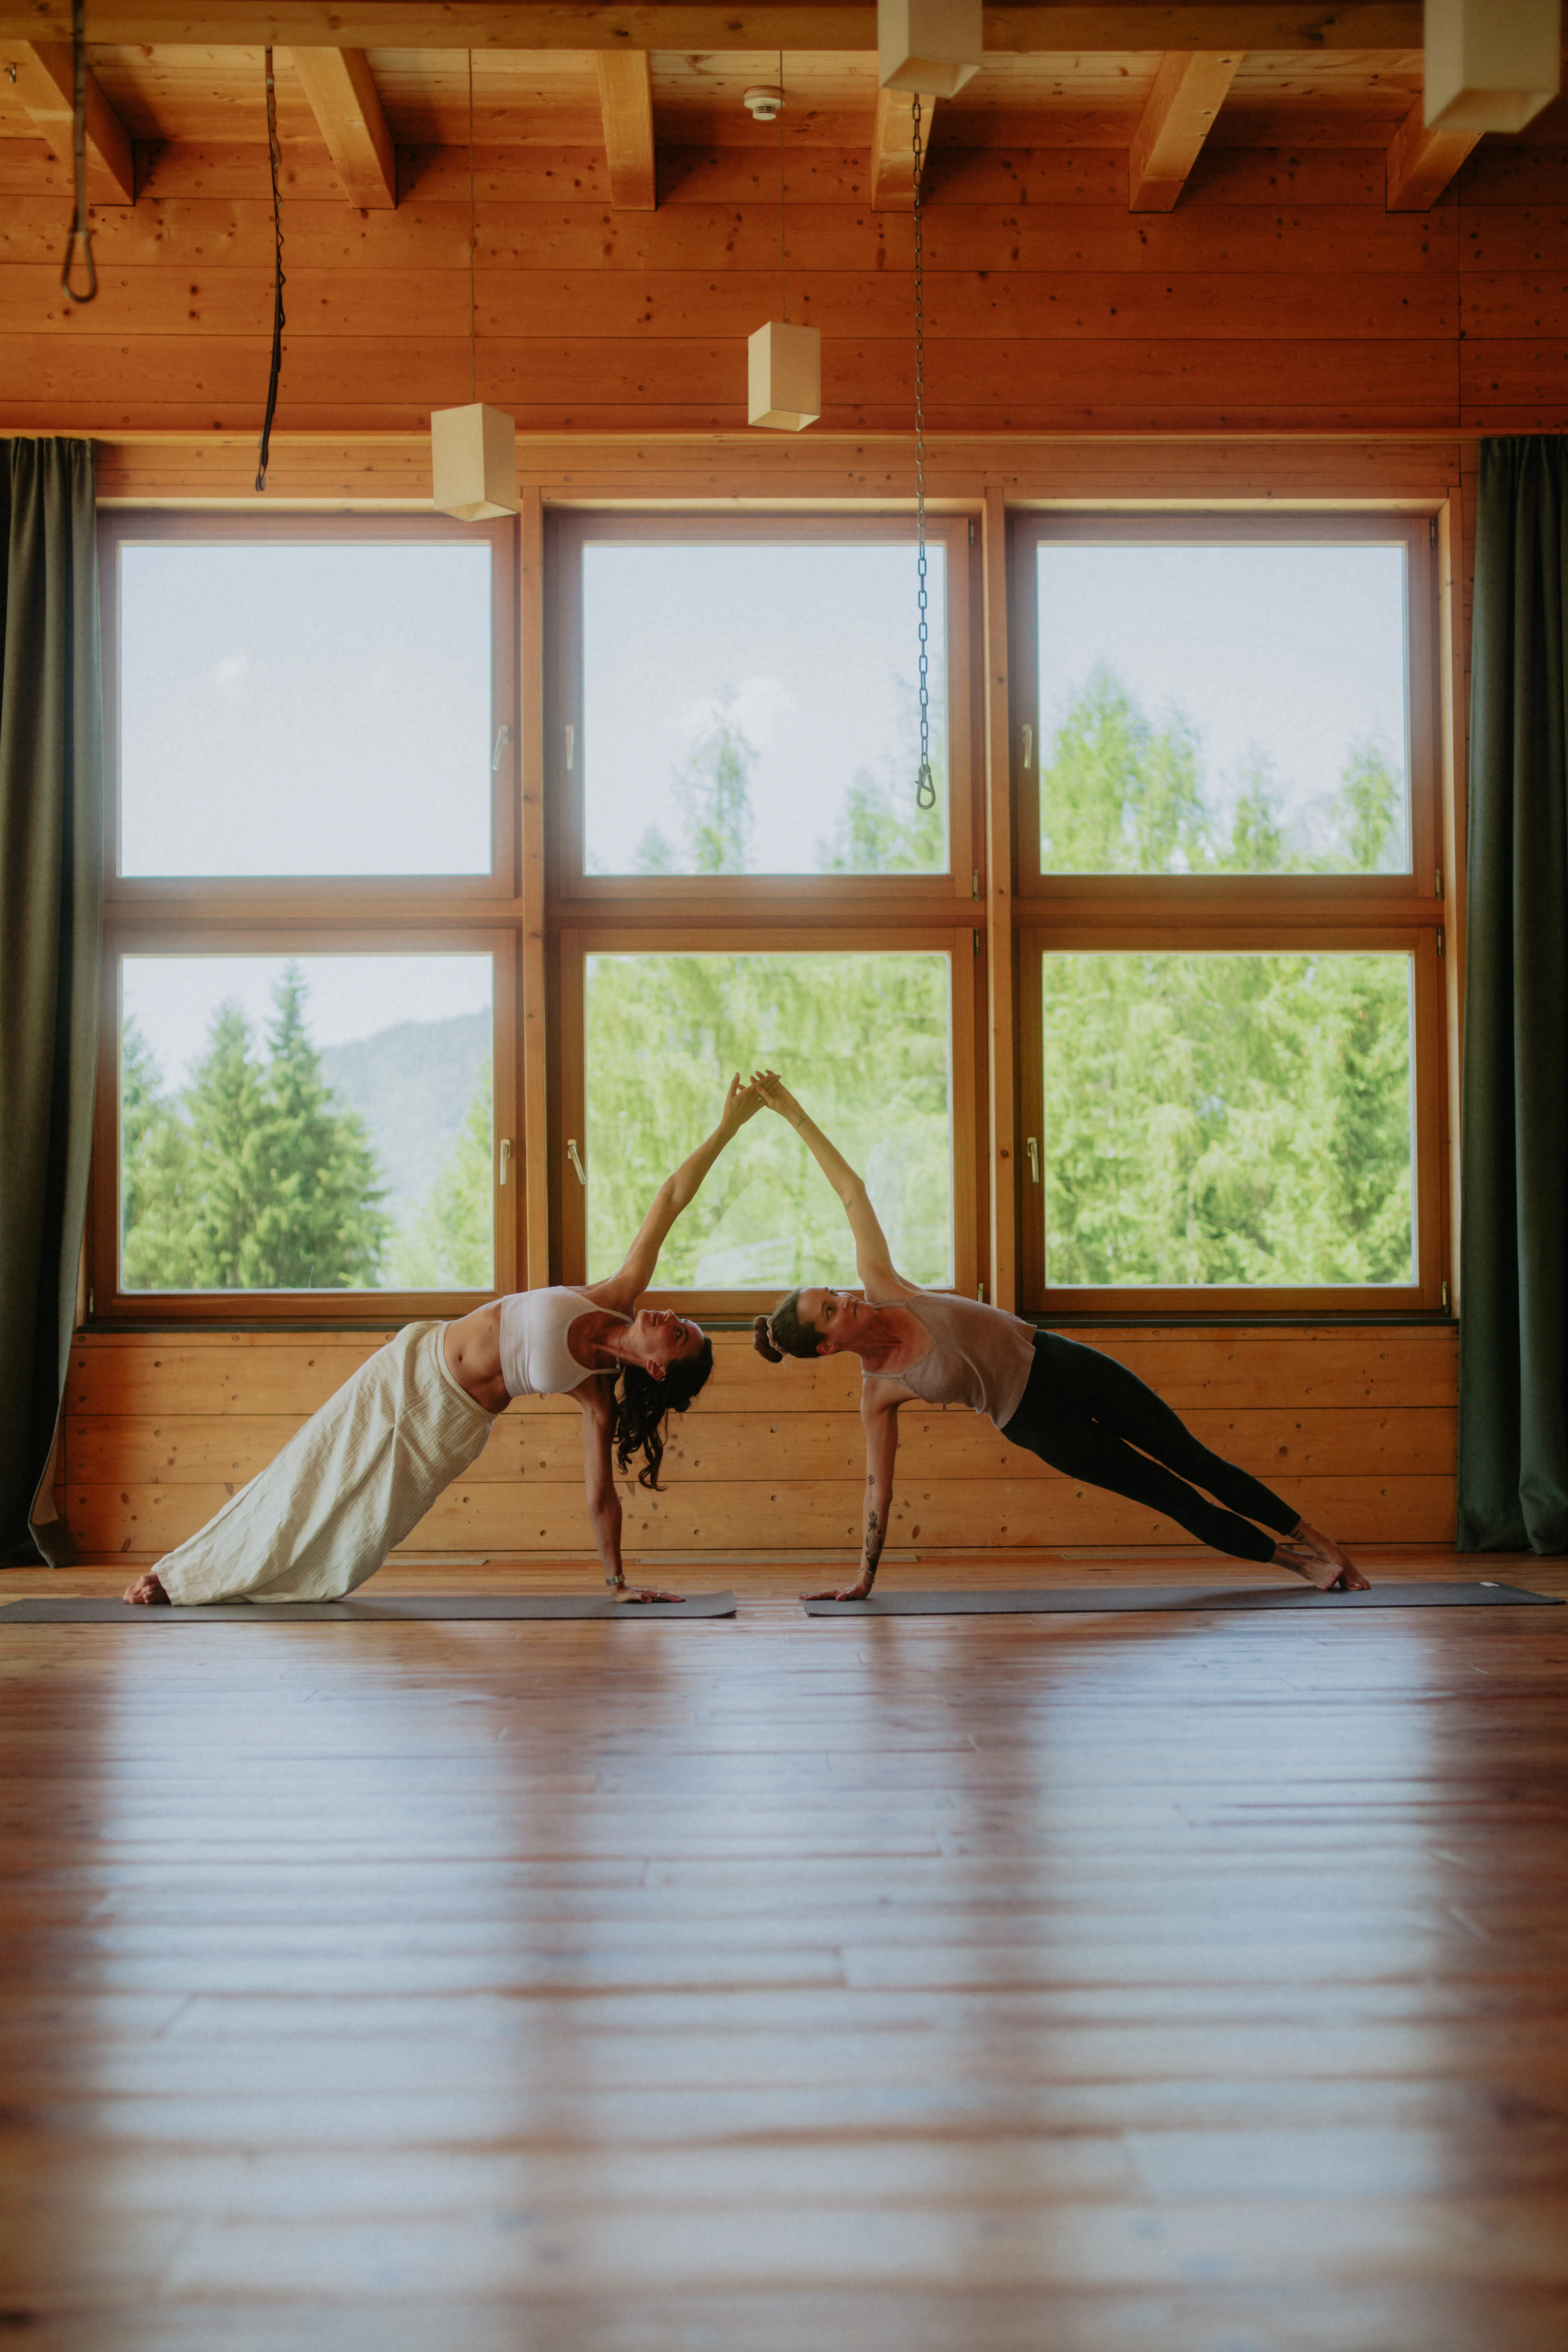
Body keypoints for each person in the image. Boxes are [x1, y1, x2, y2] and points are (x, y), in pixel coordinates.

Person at [122, 1077, 762, 1608]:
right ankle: (184, 1576)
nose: (670, 1316)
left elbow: (600, 1494)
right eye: (680, 1320)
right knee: (307, 1467)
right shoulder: (614, 1292)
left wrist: (617, 1582)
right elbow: (672, 1197)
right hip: (411, 1363)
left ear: (656, 1367)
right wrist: (729, 1126)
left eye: (678, 1335)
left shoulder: (595, 1394)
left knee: (357, 1535)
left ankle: (257, 1581)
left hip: (448, 1427)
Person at [746, 1071, 1370, 1601]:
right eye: (831, 1312)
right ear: (827, 1346)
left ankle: (1322, 1540)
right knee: (1170, 1496)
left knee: (1194, 1459)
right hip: (1037, 1423)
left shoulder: (884, 1282)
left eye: (834, 1294)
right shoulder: (878, 1393)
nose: (845, 1300)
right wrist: (864, 1576)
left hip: (1063, 1362)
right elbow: (878, 1487)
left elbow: (851, 1191)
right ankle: (1298, 1566)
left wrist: (792, 1112)